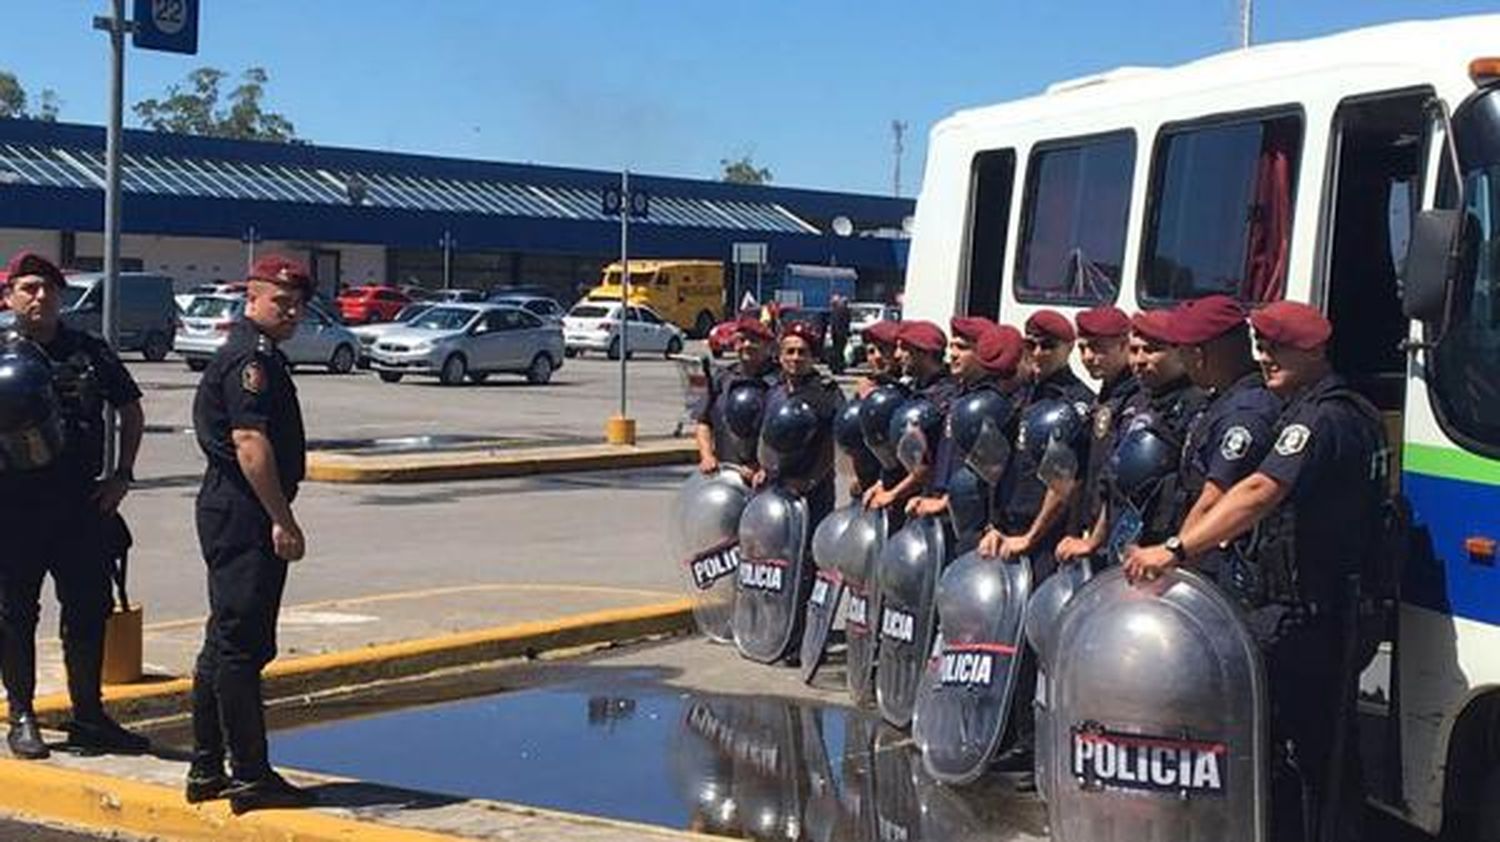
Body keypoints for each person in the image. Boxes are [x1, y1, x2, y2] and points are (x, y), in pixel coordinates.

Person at [1124, 301, 1385, 842]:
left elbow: (1260, 492)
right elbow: (1246, 492)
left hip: (1310, 613)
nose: (1265, 358)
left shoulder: (1324, 416)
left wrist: (1174, 550)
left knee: (1309, 758)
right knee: (1302, 752)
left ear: (1313, 350)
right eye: (1261, 347)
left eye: (1278, 347)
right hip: (1303, 609)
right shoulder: (1310, 409)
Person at [0, 252, 150, 760]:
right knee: (15, 614)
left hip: (80, 504)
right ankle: (22, 716)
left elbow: (131, 411)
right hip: (14, 508)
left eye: (47, 288)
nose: (39, 297)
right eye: (28, 288)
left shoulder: (87, 350)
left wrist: (122, 476)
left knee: (89, 609)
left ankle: (88, 715)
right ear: (9, 296)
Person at [186, 255, 316, 813]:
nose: (288, 313)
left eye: (296, 305)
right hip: (244, 513)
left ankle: (207, 766)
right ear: (251, 299)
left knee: (222, 642)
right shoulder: (250, 360)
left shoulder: (256, 353)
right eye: (278, 302)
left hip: (231, 509)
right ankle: (251, 774)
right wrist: (281, 518)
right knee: (242, 647)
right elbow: (249, 442)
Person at [1058, 309, 1207, 564]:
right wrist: (1094, 540)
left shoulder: (1196, 407)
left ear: (1179, 352)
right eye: (1135, 350)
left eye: (1151, 350)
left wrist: (1176, 553)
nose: (1139, 360)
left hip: (1163, 549)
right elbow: (1113, 481)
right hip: (1124, 546)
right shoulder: (1138, 403)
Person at [1161, 295, 1283, 578]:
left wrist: (1169, 566)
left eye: (1183, 353)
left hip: (1225, 565)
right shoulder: (1225, 398)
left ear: (1199, 356)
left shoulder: (1246, 412)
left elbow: (1214, 499)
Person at [755, 320, 845, 663]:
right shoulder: (773, 391)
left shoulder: (826, 392)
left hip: (810, 491)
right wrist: (763, 467)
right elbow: (763, 435)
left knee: (807, 566)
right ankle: (773, 632)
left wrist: (811, 480)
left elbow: (833, 442)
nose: (795, 358)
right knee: (775, 564)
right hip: (775, 490)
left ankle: (802, 642)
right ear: (779, 356)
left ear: (813, 356)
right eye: (789, 351)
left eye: (802, 352)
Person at [980, 309, 1095, 563]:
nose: (1038, 353)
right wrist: (994, 525)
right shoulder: (1021, 395)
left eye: (1048, 346)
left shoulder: (1076, 403)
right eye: (1031, 344)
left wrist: (1031, 537)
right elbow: (997, 464)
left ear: (1069, 348)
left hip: (1046, 536)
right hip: (1007, 529)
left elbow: (1064, 484)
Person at [1058, 305, 1138, 544]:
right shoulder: (1106, 396)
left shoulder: (1133, 400)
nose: (1088, 357)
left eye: (1098, 348)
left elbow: (1116, 481)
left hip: (1117, 534)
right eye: (1083, 348)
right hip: (1092, 526)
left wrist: (1095, 539)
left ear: (1124, 345)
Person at [863, 320, 954, 513]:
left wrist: (893, 493)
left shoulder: (945, 398)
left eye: (904, 349)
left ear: (925, 352)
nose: (897, 356)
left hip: (932, 503)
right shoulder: (916, 389)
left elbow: (928, 463)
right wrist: (883, 482)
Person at [694, 317, 778, 477]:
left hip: (767, 478)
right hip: (727, 474)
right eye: (741, 340)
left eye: (754, 340)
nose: (746, 345)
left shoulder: (780, 381)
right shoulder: (722, 378)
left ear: (768, 346)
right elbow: (703, 421)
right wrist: (707, 457)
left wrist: (764, 466)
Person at [855, 320, 902, 398]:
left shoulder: (911, 387)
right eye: (871, 351)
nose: (877, 356)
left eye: (882, 350)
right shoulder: (865, 386)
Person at [828, 296, 851, 375]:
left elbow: (834, 324)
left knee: (836, 351)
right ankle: (838, 368)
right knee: (839, 352)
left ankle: (834, 368)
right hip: (840, 334)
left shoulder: (835, 311)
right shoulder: (843, 311)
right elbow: (845, 324)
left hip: (836, 334)